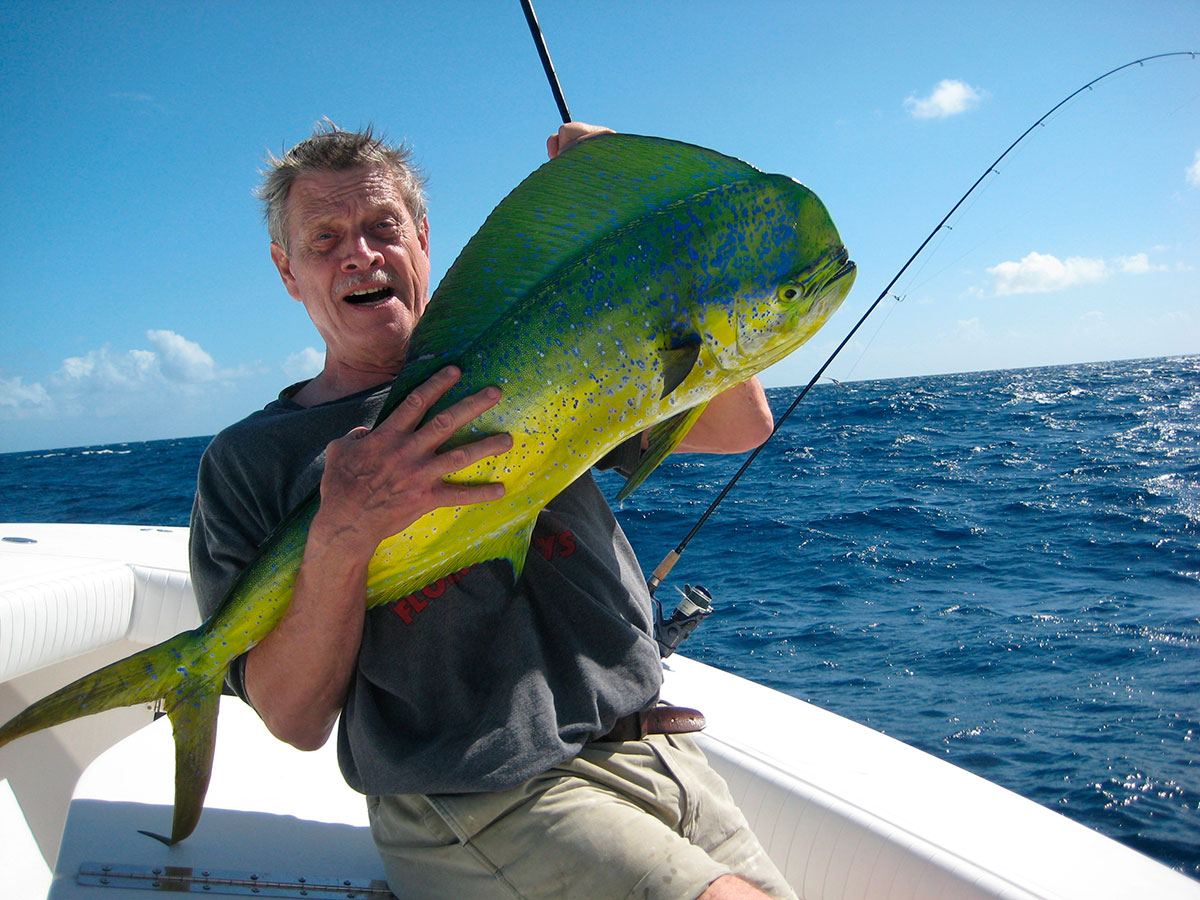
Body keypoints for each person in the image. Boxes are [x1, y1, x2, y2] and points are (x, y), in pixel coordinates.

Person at [189, 120, 797, 900]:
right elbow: (293, 716)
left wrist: (660, 232)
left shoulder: (534, 355)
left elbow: (739, 426)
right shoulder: (250, 461)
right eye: (324, 238)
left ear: (422, 237)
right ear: (287, 270)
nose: (361, 254)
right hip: (478, 795)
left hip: (658, 748)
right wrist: (341, 534)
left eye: (383, 228)